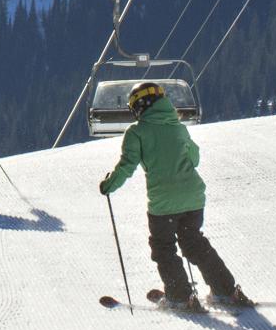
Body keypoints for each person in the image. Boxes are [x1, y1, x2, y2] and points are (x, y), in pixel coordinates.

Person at [99, 81, 252, 312]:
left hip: (163, 204)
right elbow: (195, 158)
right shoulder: (178, 127)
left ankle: (180, 297)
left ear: (139, 107)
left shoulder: (136, 132)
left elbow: (127, 166)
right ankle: (226, 291)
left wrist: (109, 185)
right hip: (193, 198)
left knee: (163, 248)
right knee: (194, 244)